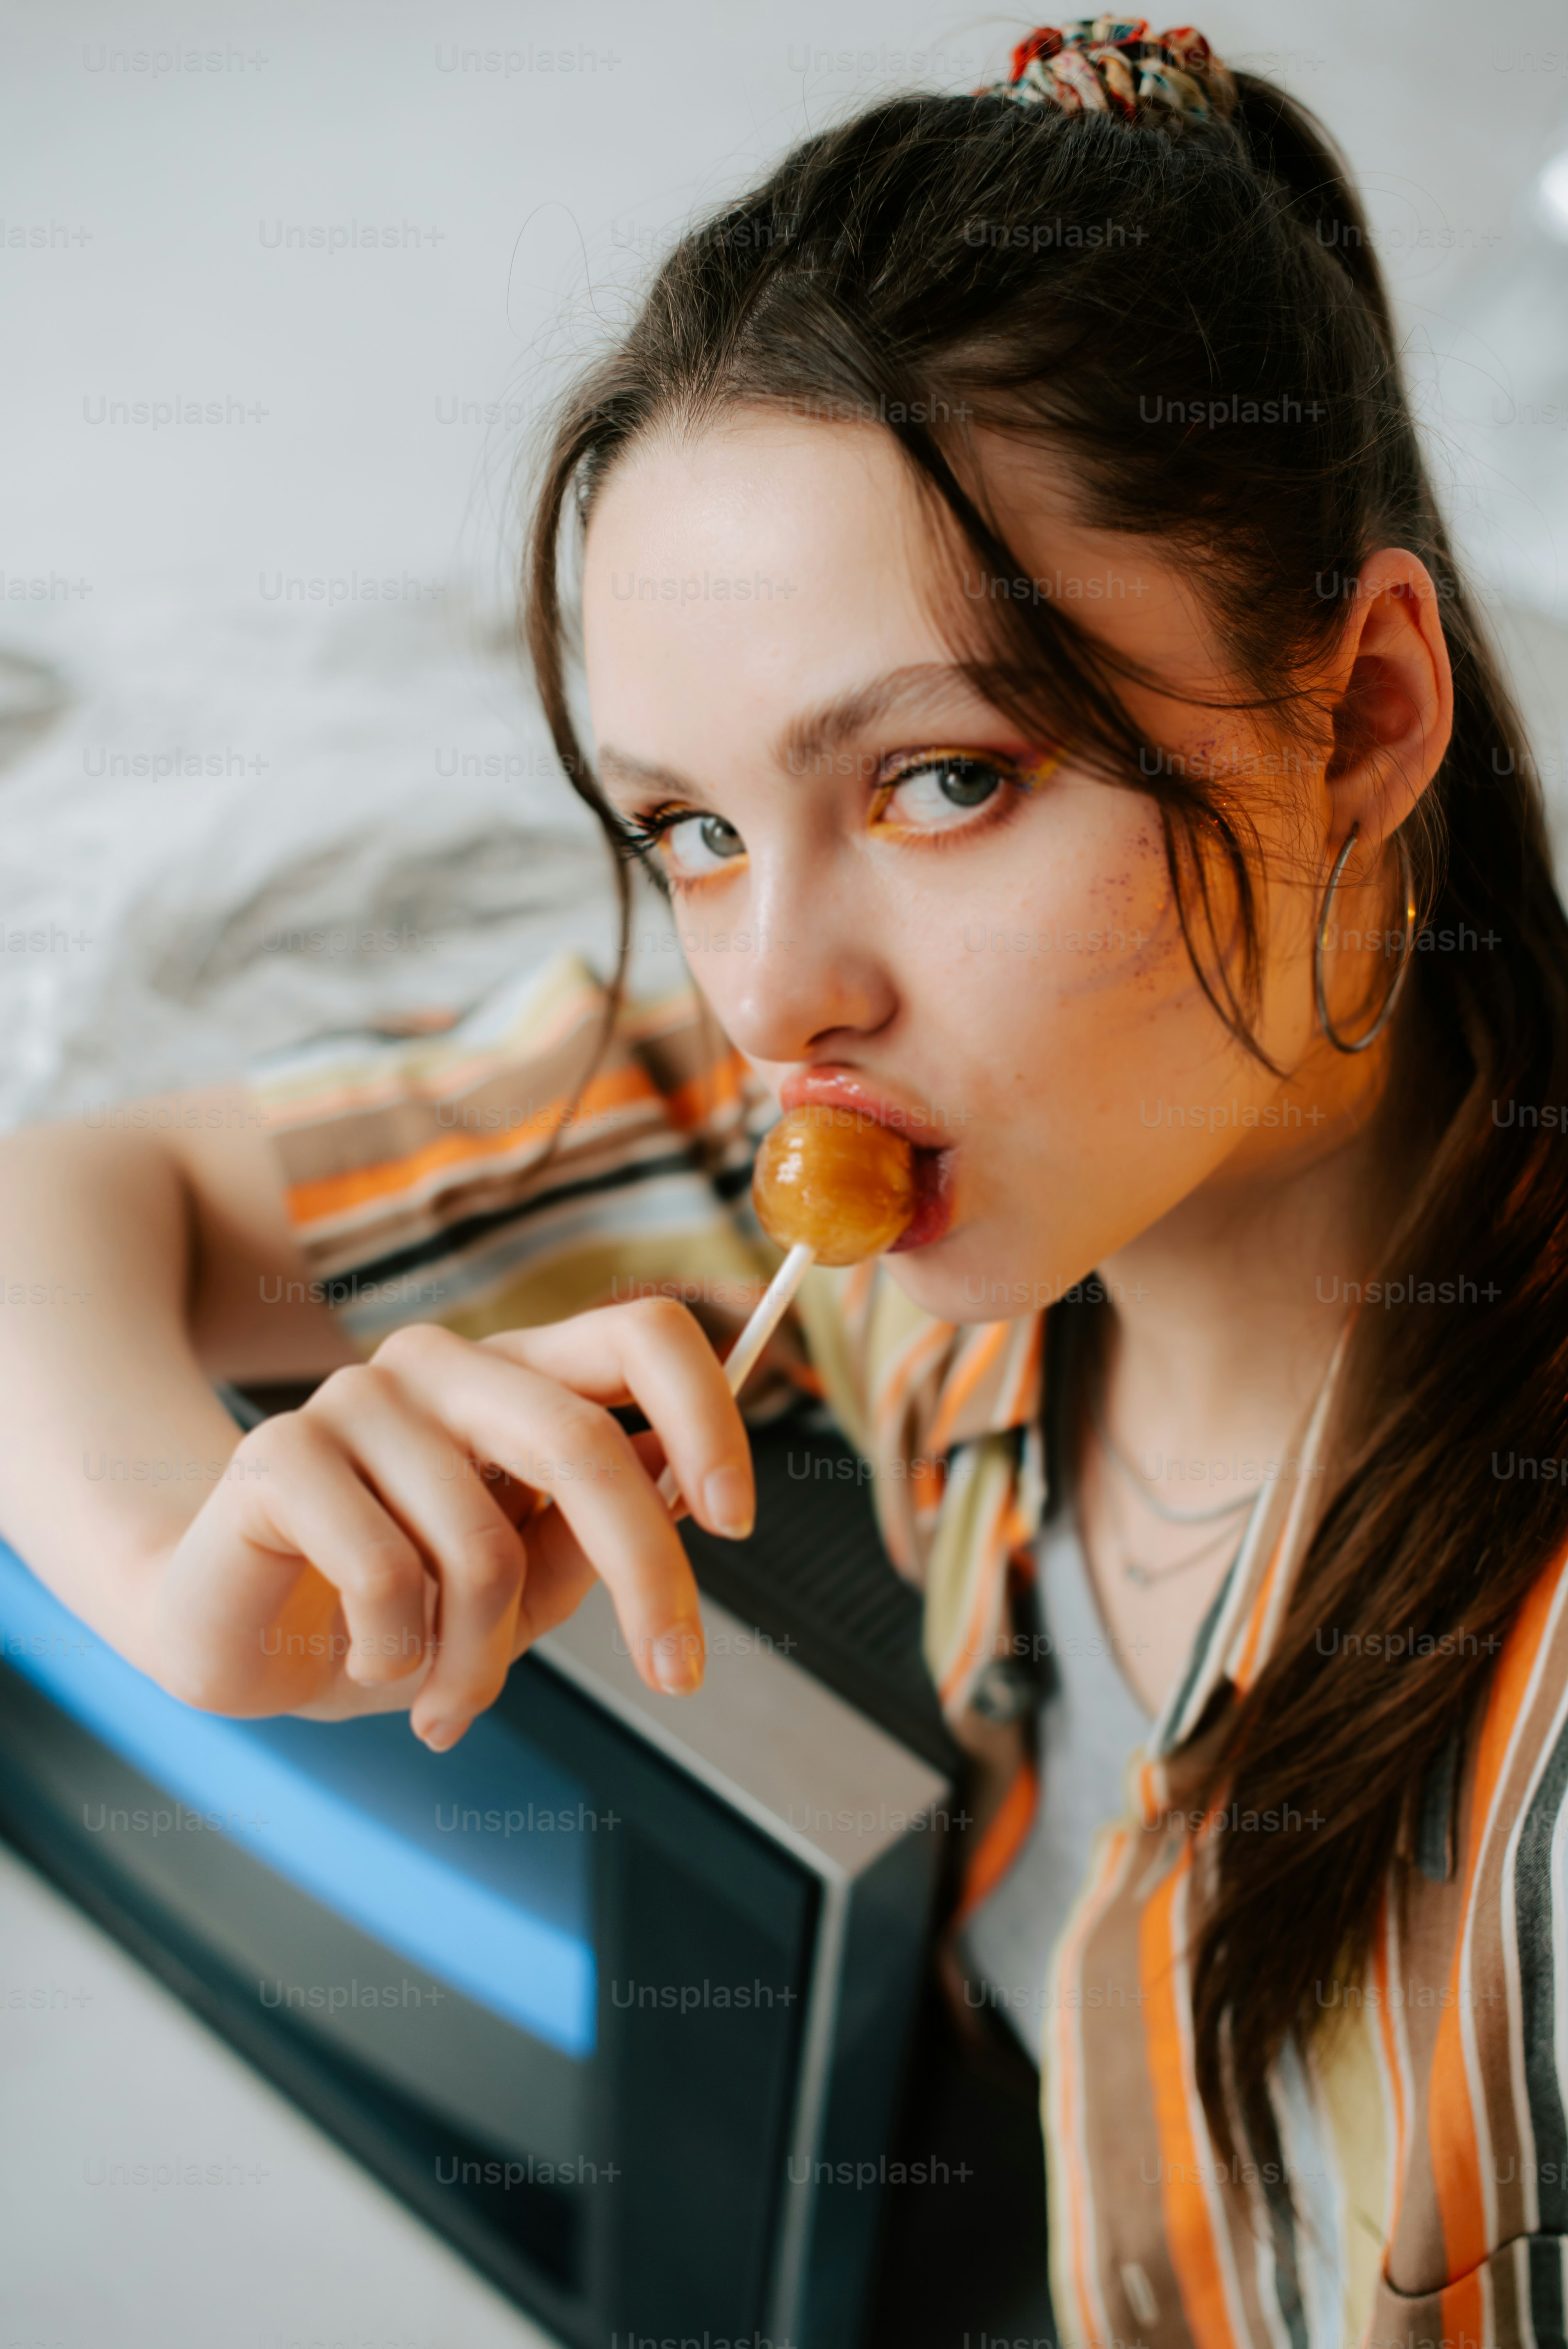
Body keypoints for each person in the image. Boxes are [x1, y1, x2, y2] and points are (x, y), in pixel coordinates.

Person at [3, 19, 1566, 2345]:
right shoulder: (882, 1146)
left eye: (945, 778)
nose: (770, 992)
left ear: (1366, 716)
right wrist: (177, 1592)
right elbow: (57, 1207)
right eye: (697, 828)